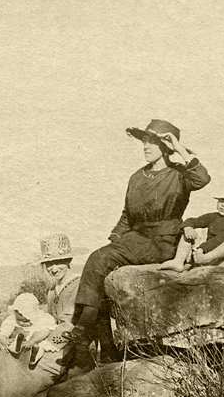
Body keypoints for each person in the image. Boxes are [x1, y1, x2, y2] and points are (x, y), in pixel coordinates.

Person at [61, 119, 211, 370]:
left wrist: (179, 148)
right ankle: (105, 348)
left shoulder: (179, 175)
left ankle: (84, 329)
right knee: (99, 261)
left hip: (164, 241)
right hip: (136, 239)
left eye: (153, 142)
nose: (146, 146)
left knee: (102, 260)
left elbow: (202, 179)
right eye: (144, 141)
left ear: (167, 147)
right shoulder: (136, 177)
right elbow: (126, 217)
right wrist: (114, 242)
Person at [0, 235, 85, 397]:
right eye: (49, 263)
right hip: (48, 339)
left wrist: (45, 342)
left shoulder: (77, 286)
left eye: (58, 262)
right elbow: (47, 321)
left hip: (67, 346)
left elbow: (70, 325)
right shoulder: (52, 290)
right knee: (4, 354)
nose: (54, 268)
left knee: (26, 367)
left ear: (69, 261)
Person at [158, 189, 224, 271]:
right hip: (209, 254)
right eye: (221, 200)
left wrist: (202, 249)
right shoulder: (214, 216)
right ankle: (178, 261)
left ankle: (204, 260)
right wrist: (188, 227)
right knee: (189, 231)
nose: (223, 205)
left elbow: (220, 239)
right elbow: (193, 221)